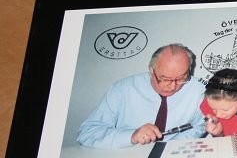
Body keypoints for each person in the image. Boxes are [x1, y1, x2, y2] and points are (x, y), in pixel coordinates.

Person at [77, 44, 206, 148]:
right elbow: (87, 133)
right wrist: (132, 136)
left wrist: (173, 144)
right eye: (165, 79)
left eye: (181, 78)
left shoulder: (198, 90)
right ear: (151, 71)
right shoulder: (123, 89)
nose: (172, 86)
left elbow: (200, 125)